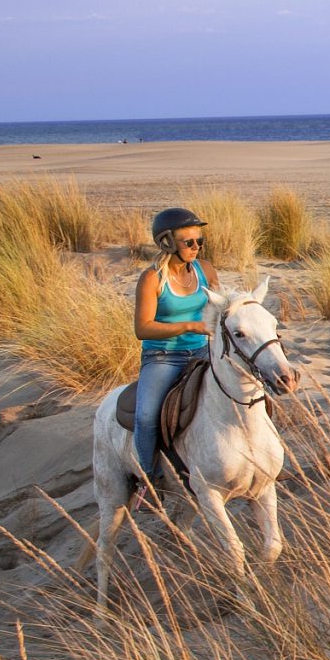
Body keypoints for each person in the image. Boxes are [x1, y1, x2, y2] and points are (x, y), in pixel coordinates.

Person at [129, 206, 222, 486]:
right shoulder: (152, 279)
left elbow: (219, 306)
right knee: (146, 416)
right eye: (189, 242)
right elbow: (142, 328)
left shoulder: (205, 270)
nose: (197, 248)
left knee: (250, 387)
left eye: (200, 241)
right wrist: (189, 326)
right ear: (168, 243)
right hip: (163, 357)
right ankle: (149, 479)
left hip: (202, 351)